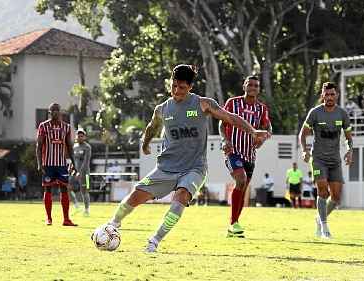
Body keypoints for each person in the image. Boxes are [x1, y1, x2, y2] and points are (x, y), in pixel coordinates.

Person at [103, 64, 269, 253]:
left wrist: (253, 131)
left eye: (181, 87)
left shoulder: (203, 103)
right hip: (166, 167)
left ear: (190, 87)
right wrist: (145, 143)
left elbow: (231, 118)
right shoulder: (162, 108)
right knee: (135, 196)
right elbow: (151, 127)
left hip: (194, 168)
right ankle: (112, 225)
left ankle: (154, 241)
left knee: (181, 195)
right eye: (173, 86)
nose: (176, 91)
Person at [219, 75, 272, 238]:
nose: (253, 88)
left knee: (242, 190)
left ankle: (233, 226)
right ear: (244, 86)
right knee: (240, 180)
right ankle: (234, 224)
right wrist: (225, 139)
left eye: (256, 85)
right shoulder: (232, 103)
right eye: (250, 85)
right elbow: (222, 123)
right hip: (233, 151)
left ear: (258, 89)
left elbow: (268, 128)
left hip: (250, 154)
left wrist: (262, 139)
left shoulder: (261, 109)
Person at [299, 82, 354, 239]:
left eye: (332, 94)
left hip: (335, 160)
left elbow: (348, 138)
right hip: (318, 159)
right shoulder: (315, 113)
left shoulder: (342, 114)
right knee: (322, 190)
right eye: (327, 94)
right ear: (322, 95)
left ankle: (319, 218)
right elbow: (303, 134)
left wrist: (350, 150)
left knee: (336, 197)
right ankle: (324, 226)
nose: (329, 97)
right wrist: (304, 150)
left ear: (337, 95)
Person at [36, 103, 78, 226]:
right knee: (47, 188)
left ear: (60, 112)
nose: (55, 112)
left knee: (64, 189)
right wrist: (39, 163)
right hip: (48, 163)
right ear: (49, 112)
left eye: (57, 110)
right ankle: (48, 218)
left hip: (61, 164)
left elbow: (70, 147)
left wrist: (74, 163)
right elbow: (39, 146)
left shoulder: (66, 127)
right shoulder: (43, 126)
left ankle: (66, 219)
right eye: (52, 110)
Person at [69, 128, 92, 216]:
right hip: (74, 172)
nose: (80, 137)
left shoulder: (87, 147)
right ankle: (76, 206)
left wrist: (80, 172)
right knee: (67, 187)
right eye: (78, 136)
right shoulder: (74, 146)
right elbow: (73, 159)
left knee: (84, 191)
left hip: (85, 173)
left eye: (82, 136)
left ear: (84, 137)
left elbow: (86, 161)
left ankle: (86, 210)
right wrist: (70, 167)